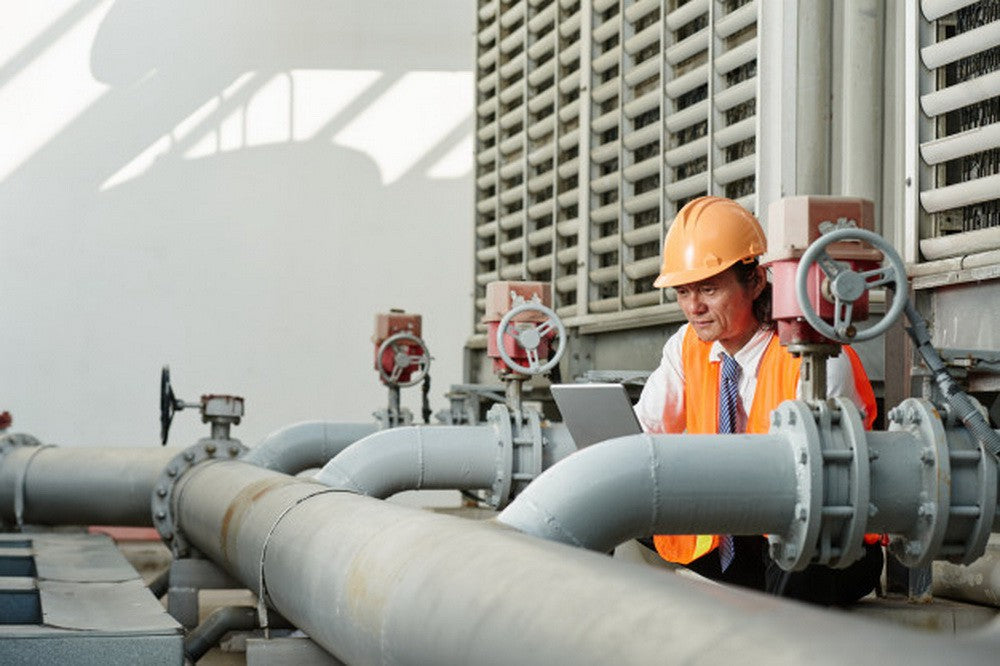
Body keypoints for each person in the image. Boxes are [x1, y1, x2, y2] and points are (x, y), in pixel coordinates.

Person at [633, 195, 883, 604]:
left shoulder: (814, 358)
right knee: (623, 502)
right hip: (739, 535)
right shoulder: (686, 347)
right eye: (683, 292)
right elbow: (645, 428)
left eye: (709, 289)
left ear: (755, 281)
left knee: (799, 551)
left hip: (824, 543)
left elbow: (827, 486)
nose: (693, 307)